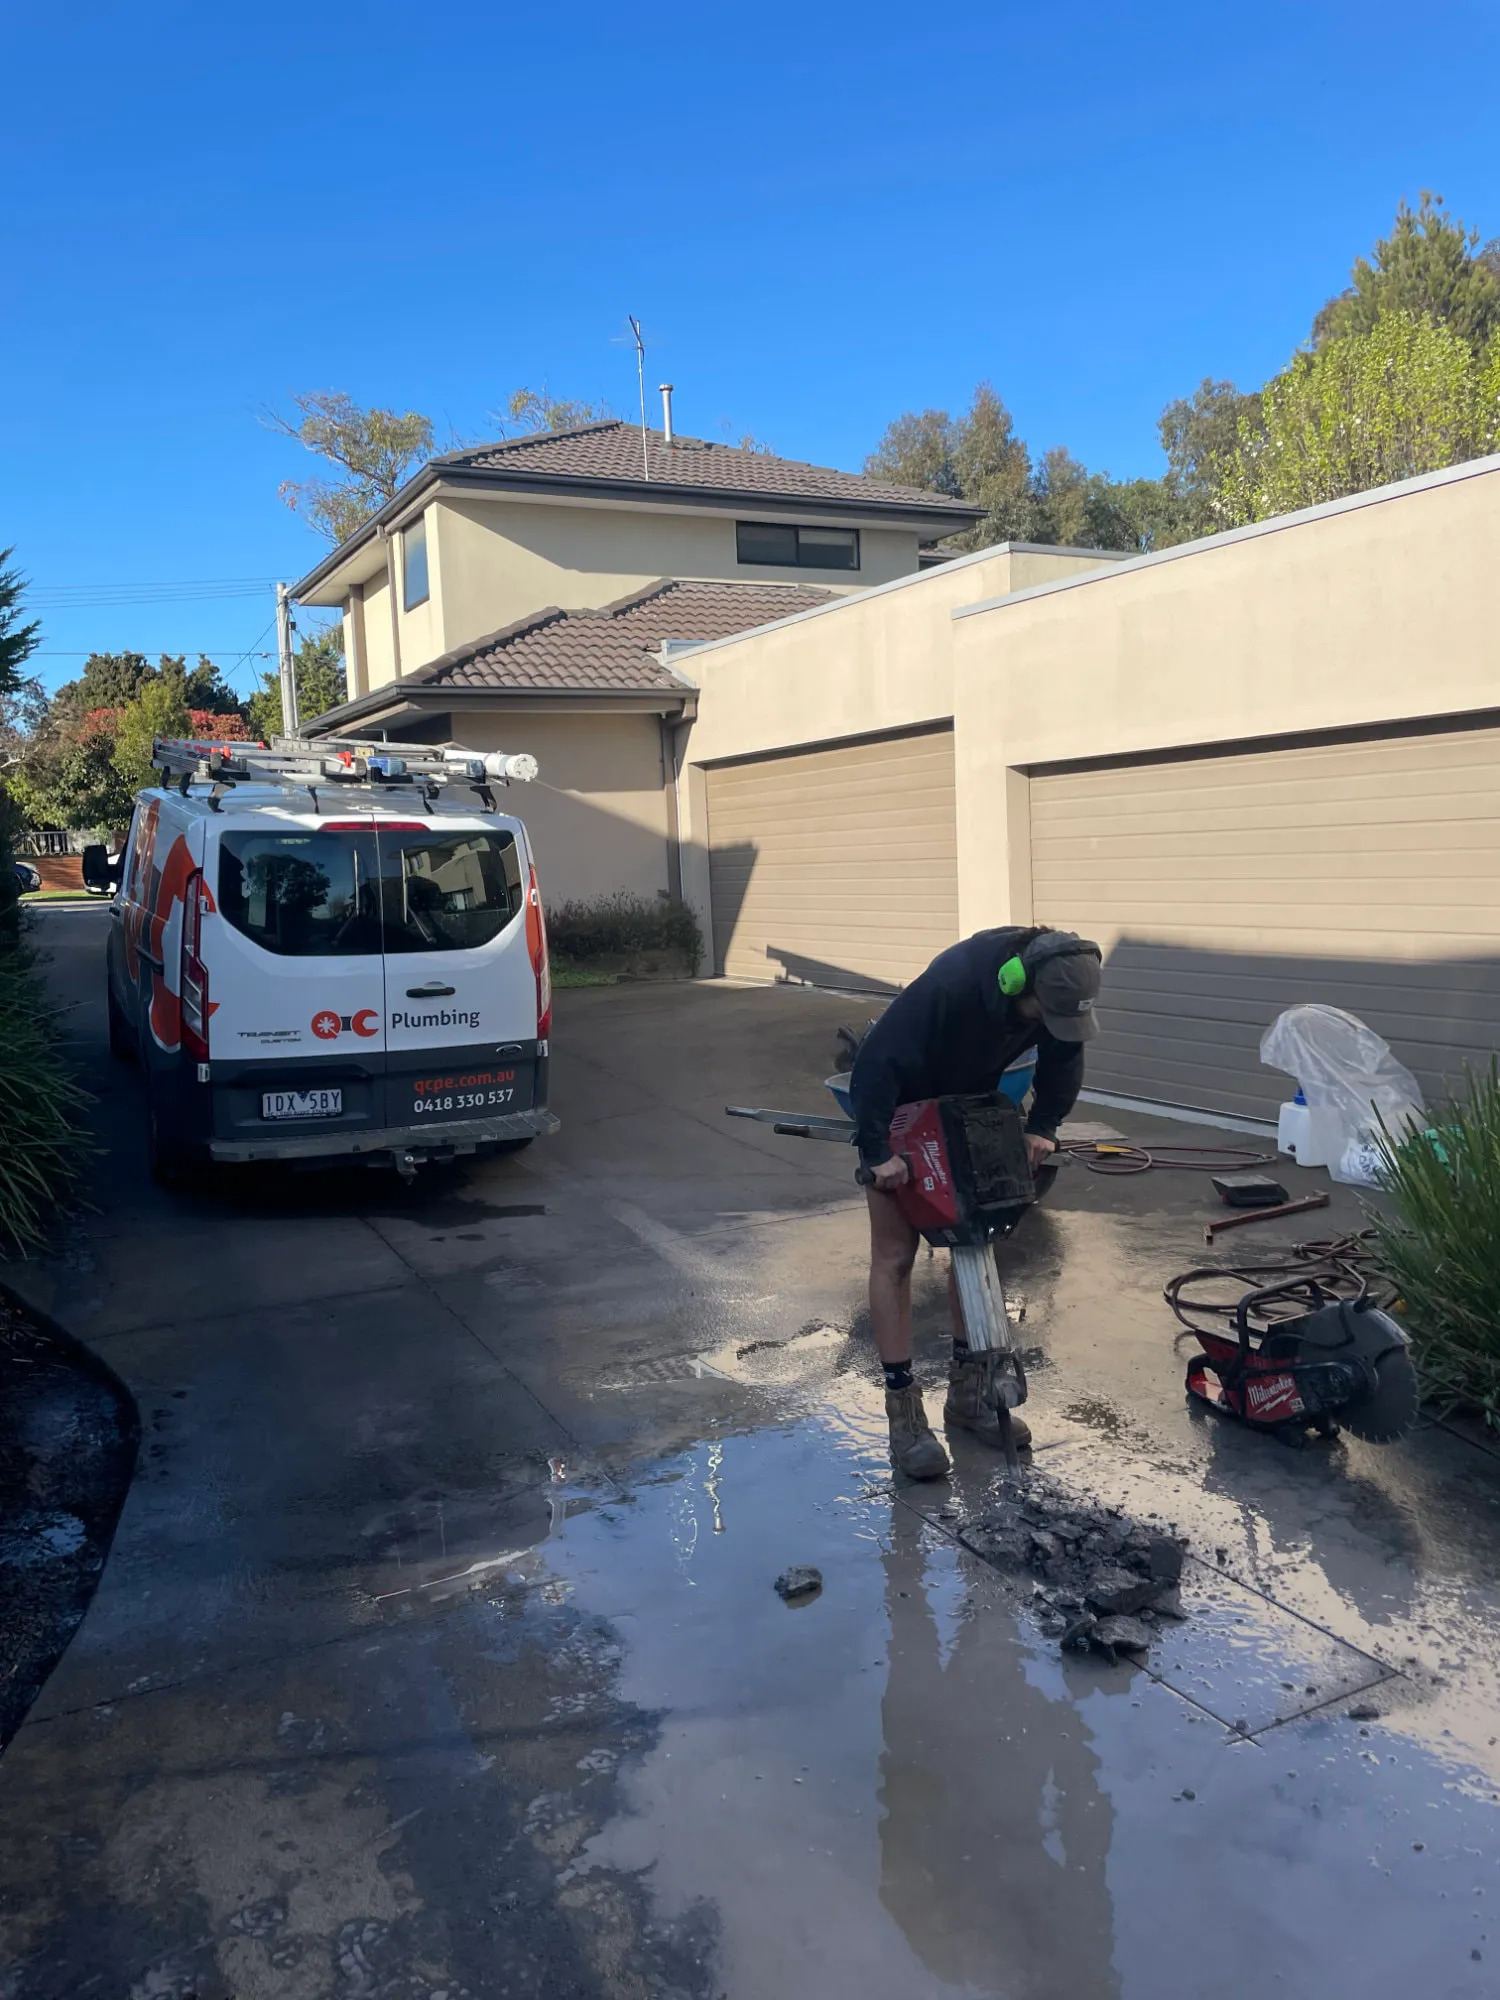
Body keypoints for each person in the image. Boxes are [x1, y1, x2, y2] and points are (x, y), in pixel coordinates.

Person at [848, 927, 1102, 1479]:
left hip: (971, 1106)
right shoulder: (953, 984)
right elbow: (874, 1063)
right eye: (1038, 1012)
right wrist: (876, 1149)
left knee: (975, 1243)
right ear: (1014, 983)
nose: (1043, 1026)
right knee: (895, 1258)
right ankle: (903, 1411)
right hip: (899, 1105)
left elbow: (1064, 1057)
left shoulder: (1053, 997)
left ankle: (970, 1397)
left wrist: (1044, 1126)